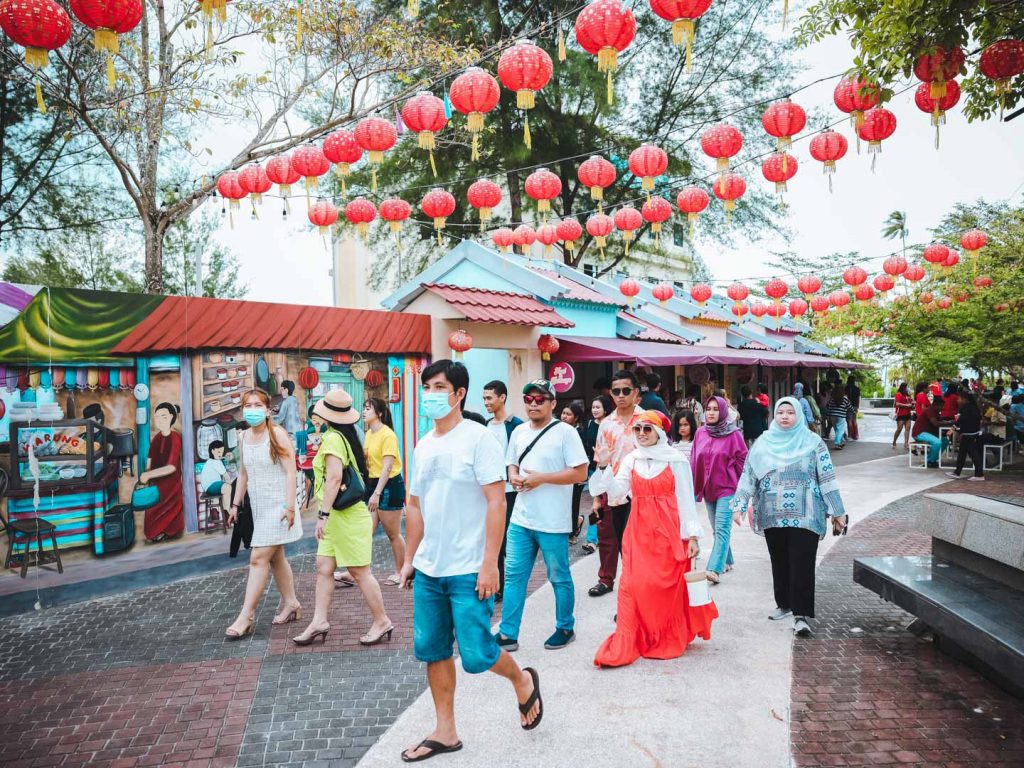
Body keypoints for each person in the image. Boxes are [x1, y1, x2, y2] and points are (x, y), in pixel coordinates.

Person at [399, 360, 542, 761]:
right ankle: (445, 731)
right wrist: (410, 558)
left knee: (477, 655)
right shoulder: (423, 445)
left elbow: (497, 503)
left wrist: (490, 563)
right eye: (426, 386)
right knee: (433, 651)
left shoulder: (479, 439)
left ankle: (522, 680)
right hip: (429, 569)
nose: (430, 393)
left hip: (469, 568)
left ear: (459, 393)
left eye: (438, 386)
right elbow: (415, 507)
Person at [590, 410, 716, 667]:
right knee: (635, 584)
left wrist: (692, 536)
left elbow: (684, 499)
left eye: (647, 429)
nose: (641, 434)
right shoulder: (632, 459)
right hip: (638, 531)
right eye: (637, 429)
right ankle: (636, 633)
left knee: (667, 586)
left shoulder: (675, 460)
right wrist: (603, 466)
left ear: (658, 432)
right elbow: (616, 492)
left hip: (670, 532)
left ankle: (665, 635)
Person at [730, 398, 847, 638]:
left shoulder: (813, 443)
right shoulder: (763, 443)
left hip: (807, 513)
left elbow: (827, 477)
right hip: (773, 513)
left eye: (790, 412)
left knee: (802, 562)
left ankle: (801, 615)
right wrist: (739, 505)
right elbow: (748, 475)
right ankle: (783, 603)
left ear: (798, 416)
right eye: (780, 412)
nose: (784, 416)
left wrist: (837, 510)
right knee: (779, 559)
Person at [293, 390, 394, 646]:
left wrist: (323, 515)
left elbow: (335, 478)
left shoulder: (333, 440)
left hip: (346, 517)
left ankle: (382, 621)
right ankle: (319, 621)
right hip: (339, 516)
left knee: (359, 571)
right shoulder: (342, 436)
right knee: (324, 567)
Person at [496, 380, 589, 653]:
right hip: (521, 519)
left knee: (558, 576)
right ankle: (507, 633)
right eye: (529, 399)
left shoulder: (565, 433)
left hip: (552, 521)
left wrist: (542, 479)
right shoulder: (519, 432)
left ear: (553, 403)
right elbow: (511, 462)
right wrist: (513, 475)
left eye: (540, 399)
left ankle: (565, 627)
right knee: (513, 577)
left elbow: (581, 473)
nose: (534, 404)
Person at [224, 390, 302, 639]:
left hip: (279, 507)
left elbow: (291, 472)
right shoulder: (244, 436)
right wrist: (236, 505)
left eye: (258, 405)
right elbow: (243, 474)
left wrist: (290, 507)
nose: (252, 409)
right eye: (248, 405)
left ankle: (246, 615)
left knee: (258, 557)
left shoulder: (277, 434)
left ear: (268, 410)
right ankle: (291, 603)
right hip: (258, 507)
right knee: (276, 557)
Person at [588, 370, 644, 597]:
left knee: (634, 545)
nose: (620, 395)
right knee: (607, 539)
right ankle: (606, 579)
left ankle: (633, 586)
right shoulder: (606, 424)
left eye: (625, 391)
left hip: (639, 492)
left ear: (636, 392)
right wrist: (596, 499)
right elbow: (600, 461)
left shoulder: (647, 420)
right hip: (610, 491)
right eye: (616, 391)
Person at [690, 396, 748, 584]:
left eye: (716, 409)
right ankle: (728, 559)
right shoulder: (701, 433)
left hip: (727, 488)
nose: (711, 412)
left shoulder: (734, 435)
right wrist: (692, 485)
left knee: (722, 528)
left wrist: (742, 489)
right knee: (717, 529)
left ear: (723, 412)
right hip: (708, 489)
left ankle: (714, 569)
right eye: (708, 409)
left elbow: (743, 461)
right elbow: (693, 459)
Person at [483, 379, 523, 600]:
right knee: (492, 537)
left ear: (502, 398)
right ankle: (497, 586)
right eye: (484, 398)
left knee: (509, 538)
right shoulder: (486, 426)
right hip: (490, 491)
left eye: (489, 398)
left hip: (511, 491)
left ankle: (511, 584)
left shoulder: (516, 425)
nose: (486, 402)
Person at [363, 397, 407, 587]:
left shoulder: (387, 435)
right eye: (364, 408)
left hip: (388, 486)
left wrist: (377, 493)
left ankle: (402, 571)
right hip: (373, 485)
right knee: (366, 531)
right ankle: (360, 571)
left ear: (379, 413)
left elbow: (387, 467)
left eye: (368, 408)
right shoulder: (369, 434)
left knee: (393, 534)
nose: (364, 411)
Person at [140, 402, 184, 543]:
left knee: (170, 510)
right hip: (155, 483)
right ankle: (156, 533)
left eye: (163, 416)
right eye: (157, 417)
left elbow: (171, 467)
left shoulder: (175, 437)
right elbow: (150, 459)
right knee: (152, 511)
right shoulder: (157, 438)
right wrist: (147, 474)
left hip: (171, 483)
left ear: (171, 417)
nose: (159, 420)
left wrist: (148, 475)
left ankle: (169, 532)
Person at [580, 395, 613, 554]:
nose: (594, 410)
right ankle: (592, 540)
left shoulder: (612, 425)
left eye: (598, 407)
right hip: (594, 470)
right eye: (593, 407)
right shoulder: (588, 425)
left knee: (609, 505)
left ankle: (605, 536)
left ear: (606, 409)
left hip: (611, 470)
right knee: (596, 503)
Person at [559, 401, 587, 540]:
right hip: (561, 473)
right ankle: (575, 523)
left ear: (576, 418)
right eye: (563, 413)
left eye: (568, 414)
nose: (564, 416)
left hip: (577, 474)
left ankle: (572, 532)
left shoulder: (580, 432)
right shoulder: (557, 431)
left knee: (573, 502)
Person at [946, 390, 985, 482]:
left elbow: (961, 420)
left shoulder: (966, 408)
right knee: (962, 454)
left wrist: (952, 429)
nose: (957, 400)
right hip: (972, 433)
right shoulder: (973, 407)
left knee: (973, 454)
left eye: (959, 399)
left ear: (965, 399)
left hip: (969, 434)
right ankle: (957, 472)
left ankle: (979, 475)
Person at [199, 439, 233, 515]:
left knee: (226, 487)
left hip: (208, 487)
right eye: (218, 452)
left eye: (222, 452)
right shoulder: (216, 462)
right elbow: (226, 476)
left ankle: (218, 510)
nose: (221, 454)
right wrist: (230, 485)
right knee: (228, 488)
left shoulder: (210, 461)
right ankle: (226, 511)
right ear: (212, 451)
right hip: (211, 486)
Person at [912, 395, 947, 468]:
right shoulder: (929, 410)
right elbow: (935, 423)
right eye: (941, 406)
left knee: (945, 441)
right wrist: (949, 422)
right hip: (919, 433)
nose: (942, 408)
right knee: (937, 442)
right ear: (936, 405)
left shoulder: (936, 412)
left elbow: (939, 421)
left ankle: (933, 459)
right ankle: (930, 461)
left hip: (928, 433)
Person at [825, 385, 852, 450]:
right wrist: (853, 411)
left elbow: (829, 407)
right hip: (841, 416)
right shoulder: (845, 399)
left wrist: (828, 415)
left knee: (837, 430)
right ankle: (837, 443)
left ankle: (841, 442)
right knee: (840, 430)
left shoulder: (833, 399)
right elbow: (849, 407)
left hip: (833, 416)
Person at [892, 383, 913, 450]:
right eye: (907, 387)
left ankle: (906, 444)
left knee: (908, 429)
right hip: (901, 414)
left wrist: (912, 404)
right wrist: (907, 405)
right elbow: (897, 403)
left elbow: (911, 403)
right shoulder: (898, 394)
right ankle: (894, 441)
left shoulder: (908, 395)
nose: (908, 388)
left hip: (908, 414)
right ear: (903, 387)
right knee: (899, 429)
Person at [845, 376, 861, 440]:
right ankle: (856, 435)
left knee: (849, 420)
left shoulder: (846, 388)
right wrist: (857, 406)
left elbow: (845, 397)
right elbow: (858, 398)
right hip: (855, 406)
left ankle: (850, 435)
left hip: (848, 405)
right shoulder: (857, 389)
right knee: (854, 420)